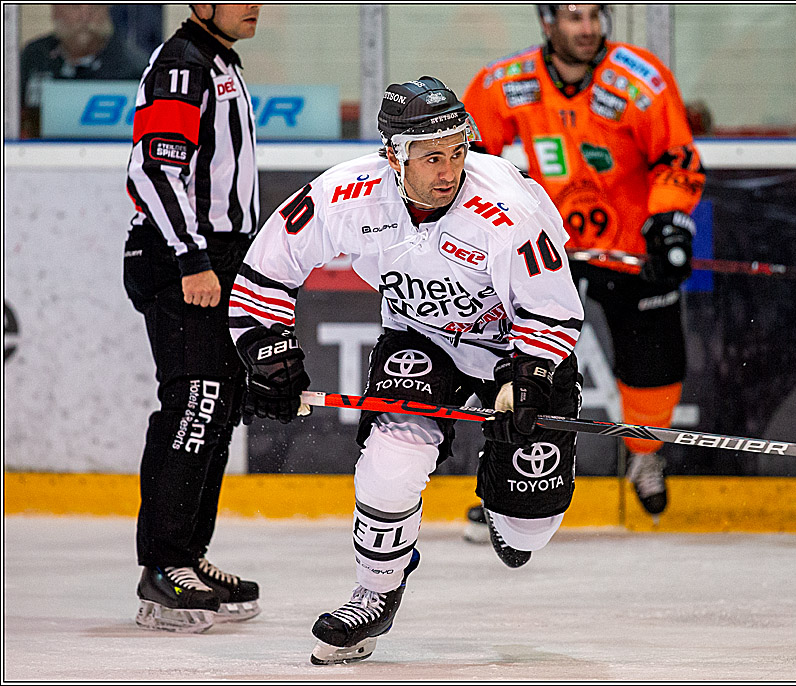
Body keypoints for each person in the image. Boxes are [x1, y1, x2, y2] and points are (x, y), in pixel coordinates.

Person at [229, 77, 585, 664]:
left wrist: (530, 378)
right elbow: (266, 270)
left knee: (527, 533)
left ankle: (508, 505)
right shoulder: (348, 194)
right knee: (391, 461)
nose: (449, 171)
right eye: (431, 156)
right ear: (394, 155)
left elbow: (551, 308)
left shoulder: (508, 208)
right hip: (420, 337)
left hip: (513, 348)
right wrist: (267, 351)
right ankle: (374, 592)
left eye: (458, 151)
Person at [462, 4, 705, 519]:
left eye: (595, 14)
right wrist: (484, 224)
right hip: (548, 248)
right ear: (547, 22)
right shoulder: (504, 82)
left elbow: (676, 157)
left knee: (653, 365)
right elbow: (471, 161)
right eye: (573, 16)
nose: (587, 27)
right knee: (525, 360)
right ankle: (506, 469)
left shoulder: (639, 79)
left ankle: (644, 454)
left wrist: (668, 220)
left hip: (629, 245)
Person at [124, 4, 263, 634]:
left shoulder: (216, 61)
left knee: (219, 405)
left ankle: (187, 555)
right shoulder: (182, 66)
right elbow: (155, 168)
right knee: (194, 404)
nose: (254, 4)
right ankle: (162, 563)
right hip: (187, 258)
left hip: (214, 258)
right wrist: (192, 258)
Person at [19, 4, 151, 138]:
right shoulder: (35, 56)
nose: (85, 17)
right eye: (75, 7)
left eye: (94, 7)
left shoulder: (134, 66)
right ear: (55, 11)